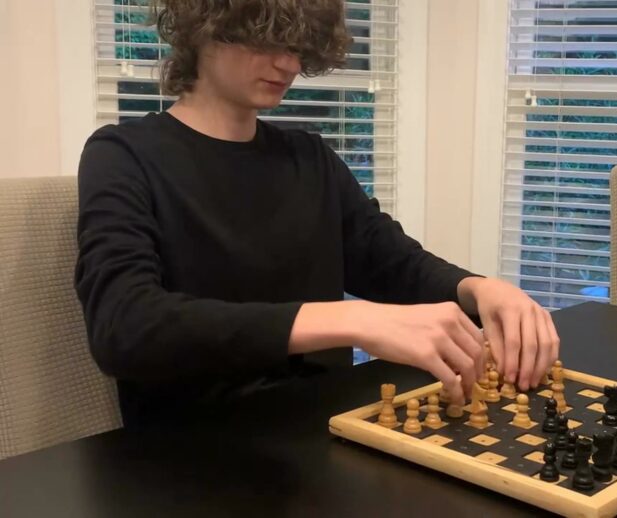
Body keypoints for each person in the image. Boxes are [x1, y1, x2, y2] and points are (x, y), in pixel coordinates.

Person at [75, 0, 559, 427]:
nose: (288, 63)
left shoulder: (309, 159)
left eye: (297, 45)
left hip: (326, 425)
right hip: (190, 452)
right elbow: (124, 325)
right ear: (203, 26)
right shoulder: (123, 155)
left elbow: (391, 262)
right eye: (266, 39)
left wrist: (479, 289)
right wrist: (351, 319)